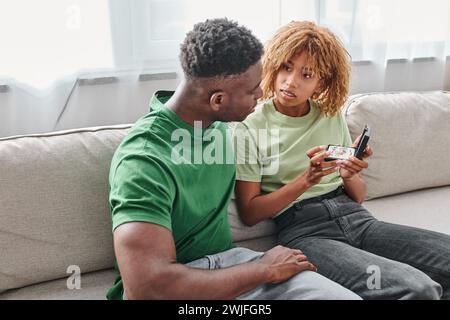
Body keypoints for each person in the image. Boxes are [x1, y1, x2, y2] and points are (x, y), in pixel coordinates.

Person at [106, 18, 360, 300]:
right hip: (181, 285)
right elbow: (148, 288)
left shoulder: (216, 126)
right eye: (253, 91)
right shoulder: (143, 160)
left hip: (230, 263)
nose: (262, 95)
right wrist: (264, 269)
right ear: (218, 100)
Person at [234, 20, 450, 300]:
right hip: (306, 232)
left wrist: (350, 173)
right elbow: (250, 213)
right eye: (286, 68)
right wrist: (306, 180)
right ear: (274, 65)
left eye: (306, 74)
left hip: (357, 219)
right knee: (418, 288)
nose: (291, 81)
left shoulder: (329, 114)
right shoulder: (249, 127)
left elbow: (358, 196)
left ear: (321, 82)